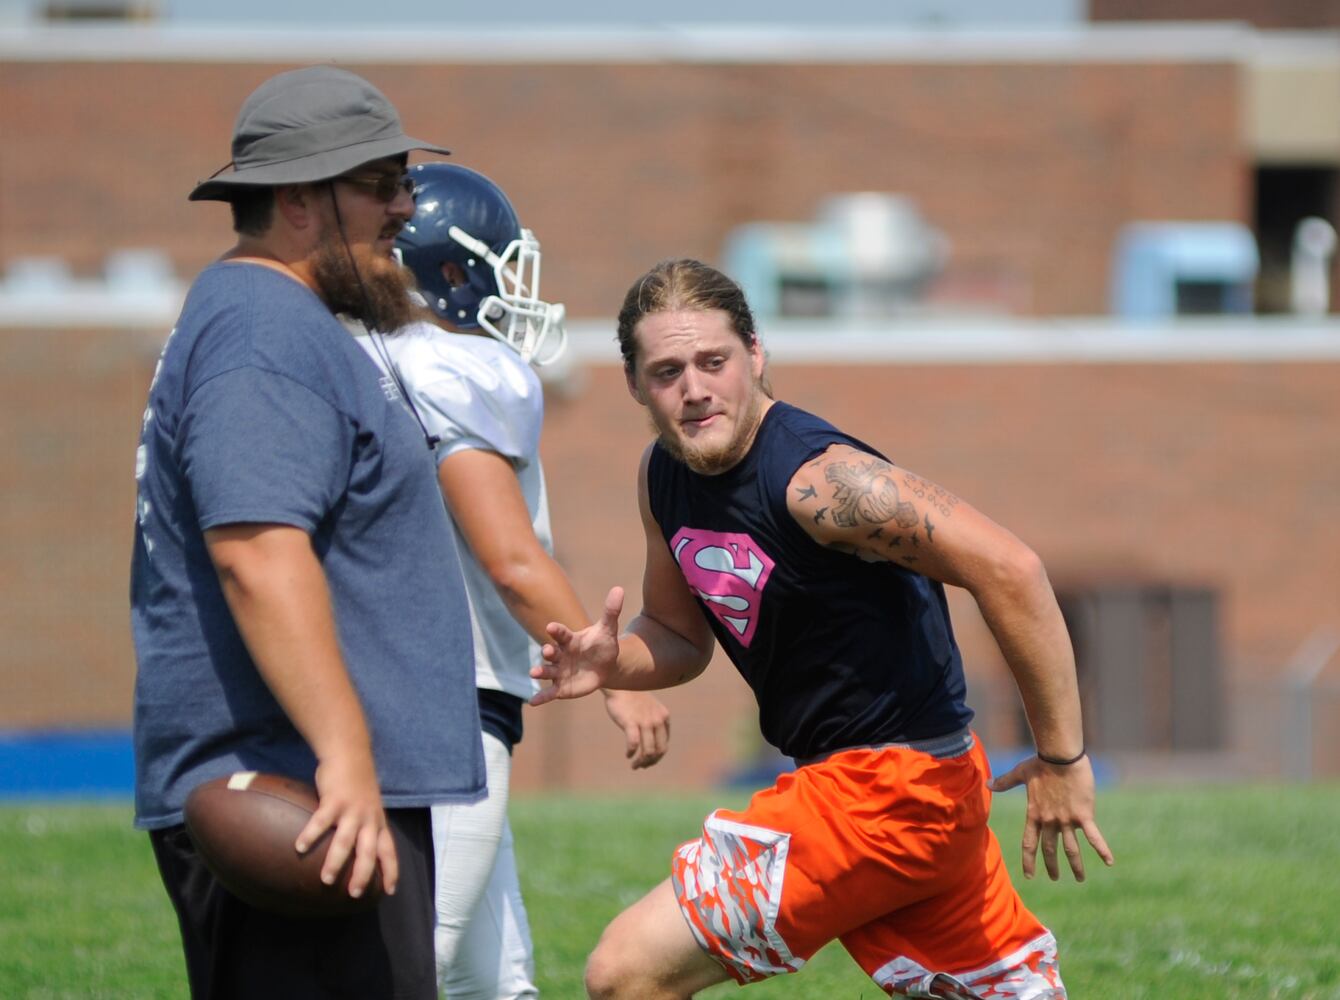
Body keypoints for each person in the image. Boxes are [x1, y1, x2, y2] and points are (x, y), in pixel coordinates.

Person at [532, 259, 1115, 1000]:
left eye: (714, 361)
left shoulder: (819, 481)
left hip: (891, 790)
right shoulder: (664, 477)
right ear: (636, 386)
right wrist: (613, 663)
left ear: (756, 355)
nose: (695, 388)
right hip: (900, 789)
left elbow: (1013, 571)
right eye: (667, 370)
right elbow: (680, 638)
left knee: (626, 972)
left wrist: (1062, 758)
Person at [130, 66, 483, 999]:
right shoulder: (260, 332)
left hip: (324, 785)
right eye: (380, 183)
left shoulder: (281, 321)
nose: (406, 206)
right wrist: (346, 754)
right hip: (302, 794)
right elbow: (254, 553)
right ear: (297, 198)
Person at [353, 162, 672, 998]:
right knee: (412, 958)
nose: (511, 288)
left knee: (494, 981)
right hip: (445, 699)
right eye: (495, 265)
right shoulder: (456, 369)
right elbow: (512, 558)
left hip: (411, 682)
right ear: (450, 270)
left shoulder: (371, 358)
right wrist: (613, 679)